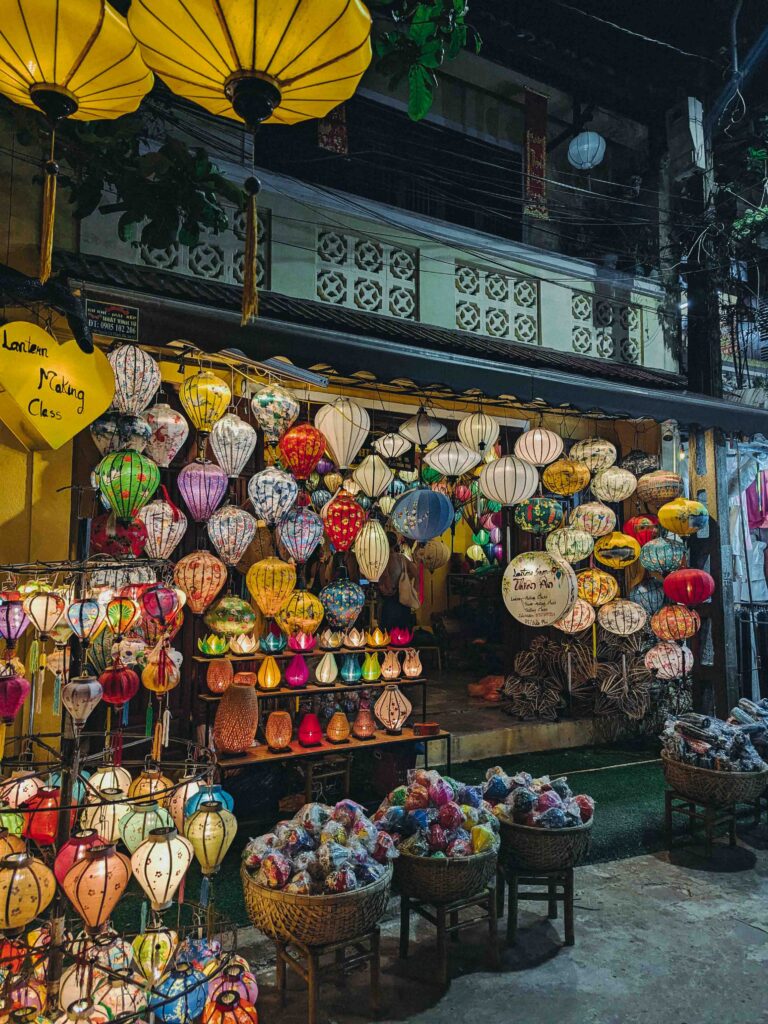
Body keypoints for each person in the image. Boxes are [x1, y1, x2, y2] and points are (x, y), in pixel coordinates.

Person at [377, 531, 420, 631]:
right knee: (403, 630)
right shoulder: (402, 558)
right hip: (403, 599)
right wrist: (415, 590)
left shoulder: (383, 559)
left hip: (388, 600)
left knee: (388, 631)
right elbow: (416, 574)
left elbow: (383, 578)